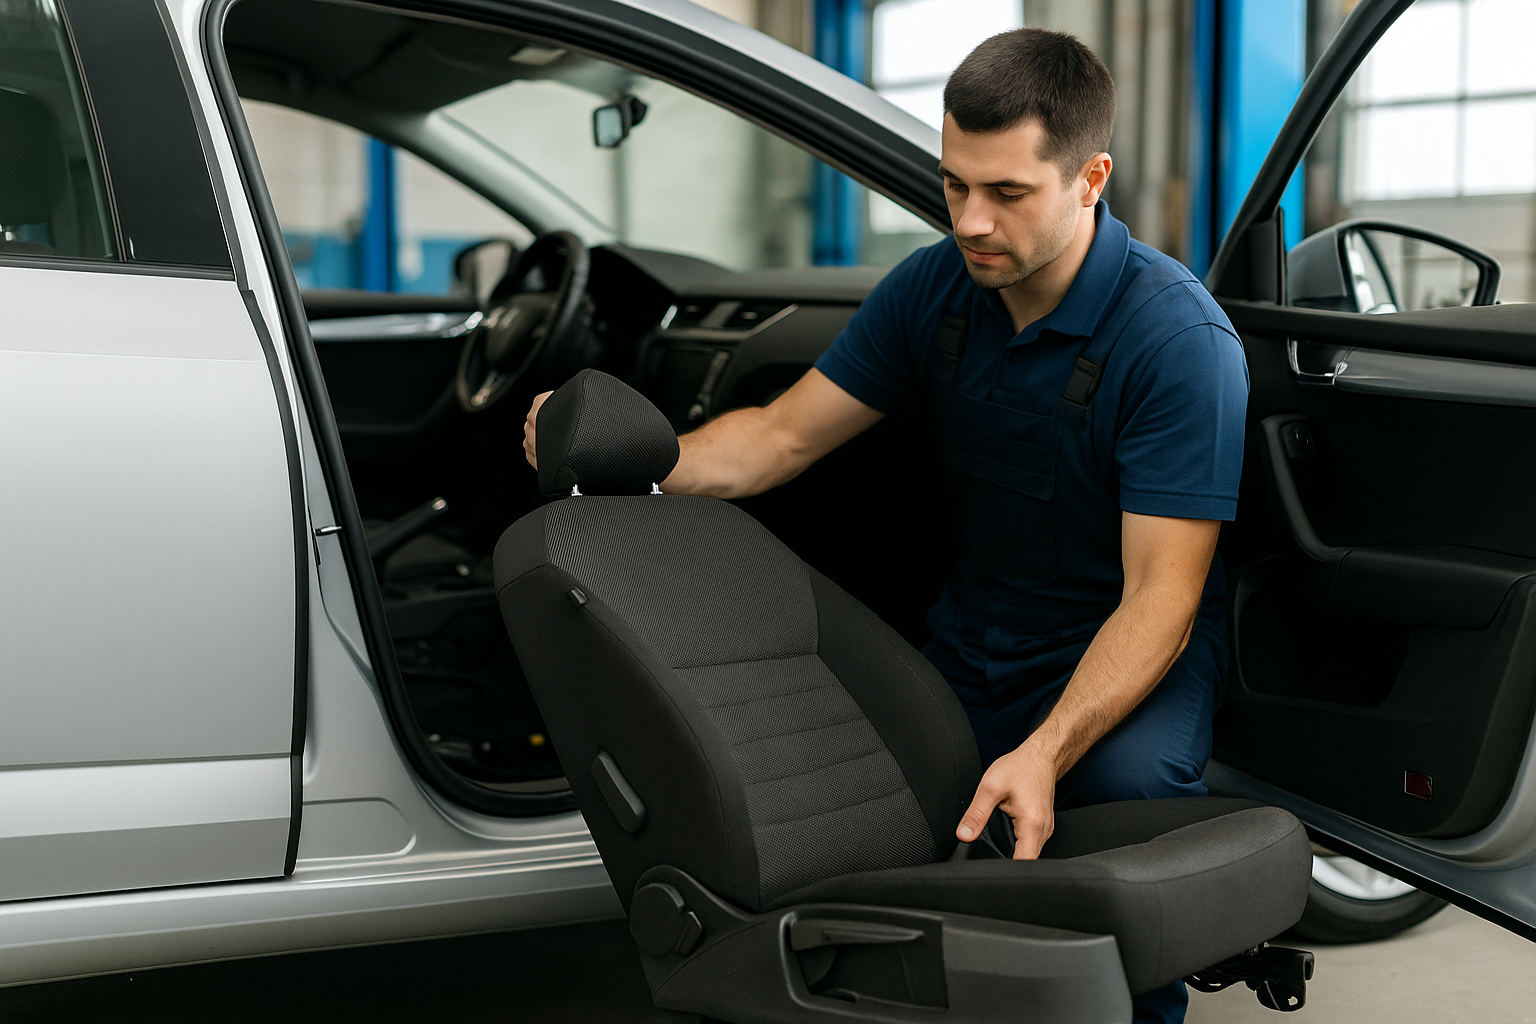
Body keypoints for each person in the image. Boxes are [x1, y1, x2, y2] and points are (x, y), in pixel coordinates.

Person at [525, 28, 1246, 1024]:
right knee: (902, 832)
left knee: (1116, 807)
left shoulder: (1174, 339)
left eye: (1006, 192)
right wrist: (620, 449)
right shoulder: (937, 291)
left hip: (1121, 642)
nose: (971, 221)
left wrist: (1045, 750)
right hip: (977, 631)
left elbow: (1162, 594)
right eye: (954, 186)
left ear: (1091, 179)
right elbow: (777, 439)